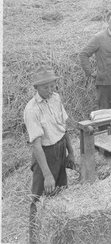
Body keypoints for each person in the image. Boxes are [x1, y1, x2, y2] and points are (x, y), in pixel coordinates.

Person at [24, 66, 75, 244]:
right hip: (45, 154)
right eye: (45, 87)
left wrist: (71, 152)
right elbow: (36, 146)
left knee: (61, 192)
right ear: (36, 88)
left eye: (52, 86)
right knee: (38, 199)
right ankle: (34, 239)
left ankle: (58, 236)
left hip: (60, 149)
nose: (50, 90)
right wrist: (47, 175)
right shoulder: (31, 110)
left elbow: (64, 127)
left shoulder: (56, 98)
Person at [79, 10, 111, 113]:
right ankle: (104, 128)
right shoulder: (99, 38)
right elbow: (83, 54)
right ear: (107, 21)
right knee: (104, 110)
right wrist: (90, 72)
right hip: (105, 82)